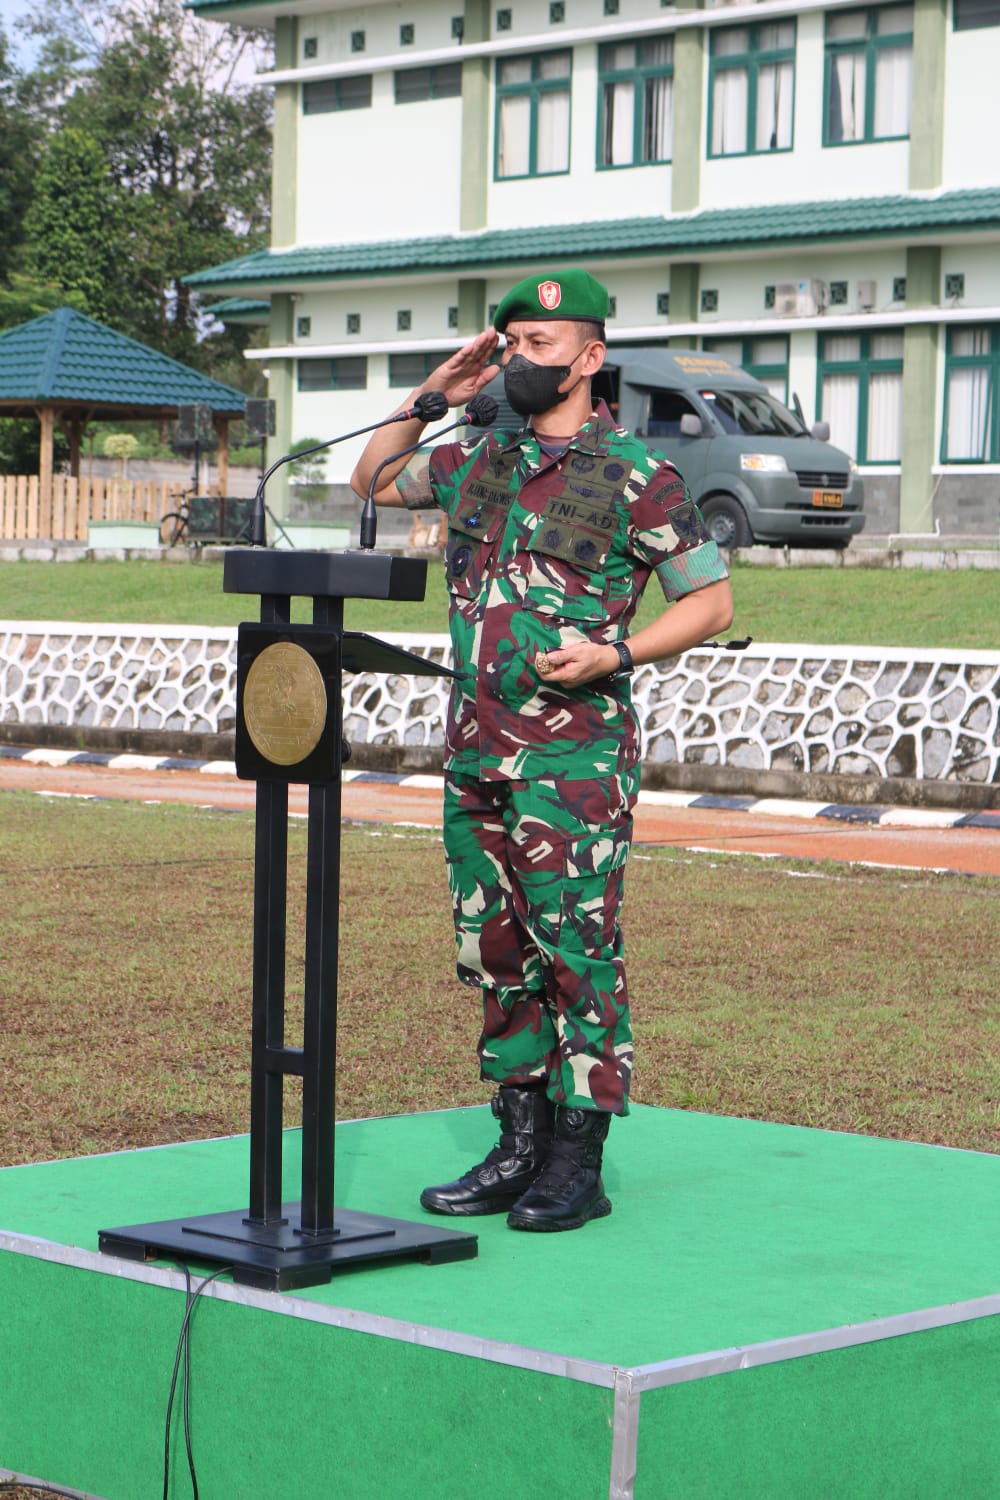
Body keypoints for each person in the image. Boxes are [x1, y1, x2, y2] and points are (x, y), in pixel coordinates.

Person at [350, 269, 733, 1233]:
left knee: (576, 948)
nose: (522, 360)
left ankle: (578, 1157)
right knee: (495, 947)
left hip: (575, 761)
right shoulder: (479, 453)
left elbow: (710, 602)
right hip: (476, 748)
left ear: (591, 359)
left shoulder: (637, 475)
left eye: (542, 347)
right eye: (511, 343)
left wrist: (615, 651)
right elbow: (372, 479)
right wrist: (433, 392)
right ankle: (517, 1142)